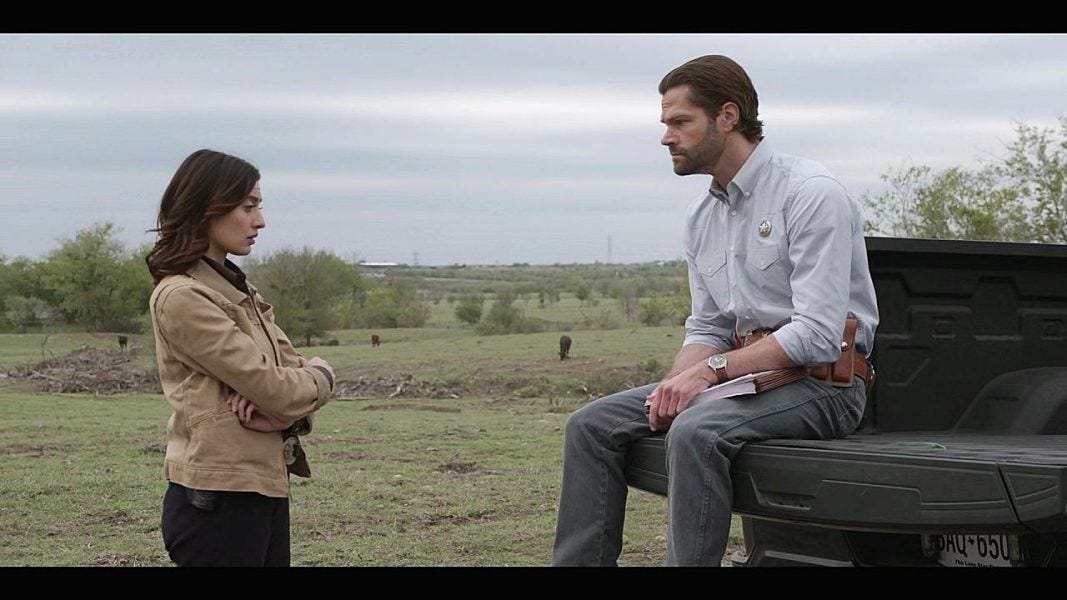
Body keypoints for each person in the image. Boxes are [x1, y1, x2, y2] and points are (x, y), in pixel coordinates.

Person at [551, 55, 879, 567]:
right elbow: (709, 325)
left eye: (680, 122)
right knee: (590, 425)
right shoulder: (702, 215)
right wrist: (674, 386)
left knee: (697, 431)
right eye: (665, 123)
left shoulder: (811, 193)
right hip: (744, 380)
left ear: (728, 117)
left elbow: (817, 334)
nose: (666, 137)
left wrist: (709, 374)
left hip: (825, 385)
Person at [146, 148, 336, 566]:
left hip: (261, 487)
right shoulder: (183, 297)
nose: (260, 220)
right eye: (247, 206)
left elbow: (285, 381)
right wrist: (321, 376)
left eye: (259, 206)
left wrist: (287, 410)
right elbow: (279, 387)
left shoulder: (236, 290)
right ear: (205, 208)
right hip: (216, 503)